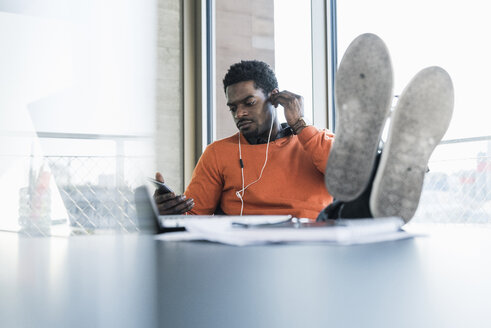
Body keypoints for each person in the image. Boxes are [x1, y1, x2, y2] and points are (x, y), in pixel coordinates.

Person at [154, 60, 334, 219]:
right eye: (233, 108)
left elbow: (351, 176)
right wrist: (168, 212)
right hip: (243, 250)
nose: (240, 114)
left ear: (275, 98)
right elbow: (193, 216)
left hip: (311, 246)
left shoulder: (316, 141)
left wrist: (301, 126)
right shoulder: (217, 153)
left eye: (249, 103)